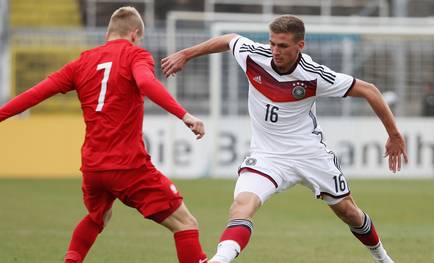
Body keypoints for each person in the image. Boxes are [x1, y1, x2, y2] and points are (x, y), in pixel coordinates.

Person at [162, 15, 408, 263]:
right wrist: (185, 54)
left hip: (309, 154)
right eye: (272, 44)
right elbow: (229, 40)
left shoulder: (313, 75)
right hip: (267, 155)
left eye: (283, 46)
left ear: (300, 46)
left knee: (348, 212)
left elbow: (370, 90)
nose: (275, 51)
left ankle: (383, 259)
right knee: (241, 206)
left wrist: (394, 134)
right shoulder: (254, 55)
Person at [0, 7, 208, 263]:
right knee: (186, 223)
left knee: (98, 217)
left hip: (94, 167)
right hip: (127, 166)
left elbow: (35, 93)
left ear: (110, 32)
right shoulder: (136, 54)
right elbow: (145, 83)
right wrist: (185, 115)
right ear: (134, 34)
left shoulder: (81, 62)